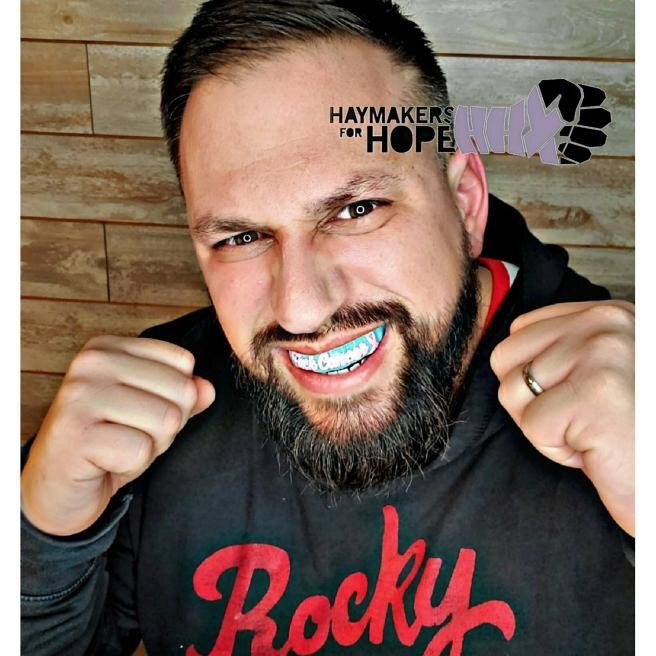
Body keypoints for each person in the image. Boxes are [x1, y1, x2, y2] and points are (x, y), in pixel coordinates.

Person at [20, 1, 634, 654]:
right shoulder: (146, 418)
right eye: (242, 235)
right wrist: (41, 536)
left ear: (464, 202)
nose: (302, 310)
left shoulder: (629, 413)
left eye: (356, 209)